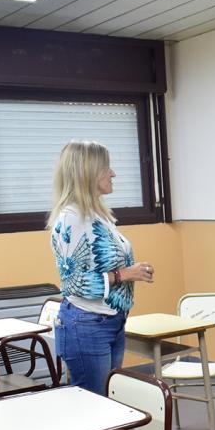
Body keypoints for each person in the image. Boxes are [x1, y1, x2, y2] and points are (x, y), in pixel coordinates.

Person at [48, 140, 155, 396]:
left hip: (108, 321)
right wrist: (125, 274)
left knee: (107, 404)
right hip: (87, 325)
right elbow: (73, 283)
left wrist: (131, 271)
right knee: (95, 410)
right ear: (87, 172)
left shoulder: (97, 215)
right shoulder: (71, 218)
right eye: (106, 167)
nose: (113, 173)